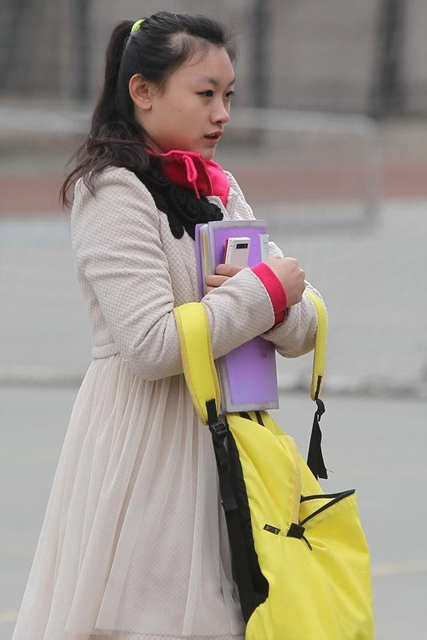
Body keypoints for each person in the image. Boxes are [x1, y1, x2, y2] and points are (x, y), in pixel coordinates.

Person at [12, 11, 325, 640]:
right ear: (143, 91)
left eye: (228, 95)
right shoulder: (111, 191)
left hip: (227, 445)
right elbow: (151, 345)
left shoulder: (218, 187)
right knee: (146, 618)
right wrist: (262, 294)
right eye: (205, 93)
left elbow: (305, 324)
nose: (222, 114)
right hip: (146, 447)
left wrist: (272, 300)